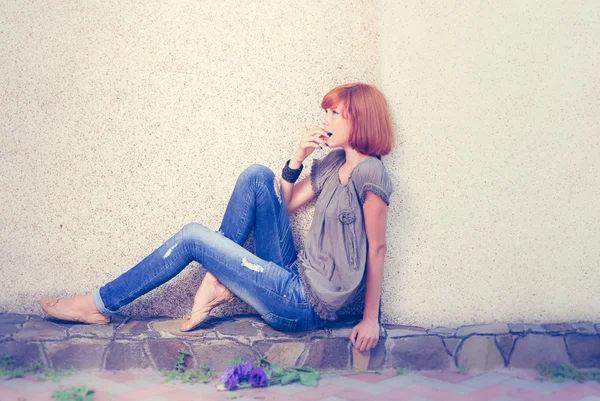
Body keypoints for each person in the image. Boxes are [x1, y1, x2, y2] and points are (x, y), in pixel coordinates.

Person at [40, 82, 394, 352]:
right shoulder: (333, 164)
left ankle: (97, 303)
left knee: (193, 236)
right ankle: (215, 279)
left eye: (334, 113)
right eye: (326, 112)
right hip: (291, 272)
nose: (324, 119)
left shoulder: (370, 175)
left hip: (302, 304)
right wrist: (296, 159)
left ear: (358, 118)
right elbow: (283, 203)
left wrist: (369, 319)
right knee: (256, 175)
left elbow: (376, 249)